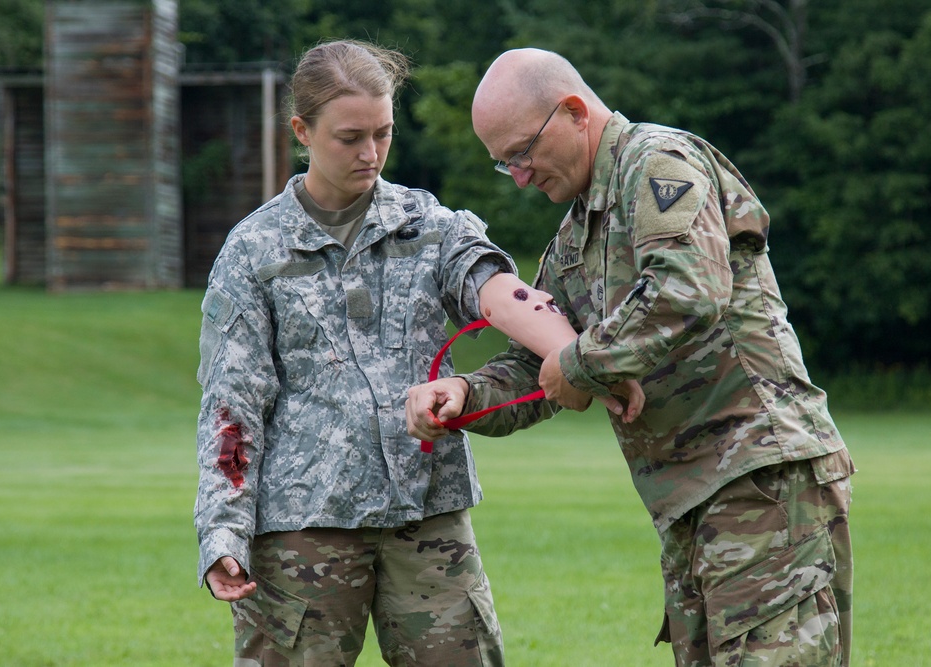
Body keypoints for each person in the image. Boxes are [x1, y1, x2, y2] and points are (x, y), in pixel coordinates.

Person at [194, 40, 642, 667]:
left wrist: (586, 363)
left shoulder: (425, 223)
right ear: (302, 130)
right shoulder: (252, 252)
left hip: (427, 517)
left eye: (383, 133)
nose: (370, 153)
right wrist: (222, 530)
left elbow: (501, 295)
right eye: (350, 137)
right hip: (302, 531)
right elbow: (231, 406)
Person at [406, 47, 854, 667]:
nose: (519, 175)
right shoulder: (572, 242)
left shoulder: (658, 163)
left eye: (522, 151)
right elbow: (536, 363)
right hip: (688, 501)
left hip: (760, 476)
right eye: (503, 163)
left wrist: (586, 364)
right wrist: (465, 395)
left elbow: (688, 288)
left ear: (572, 112)